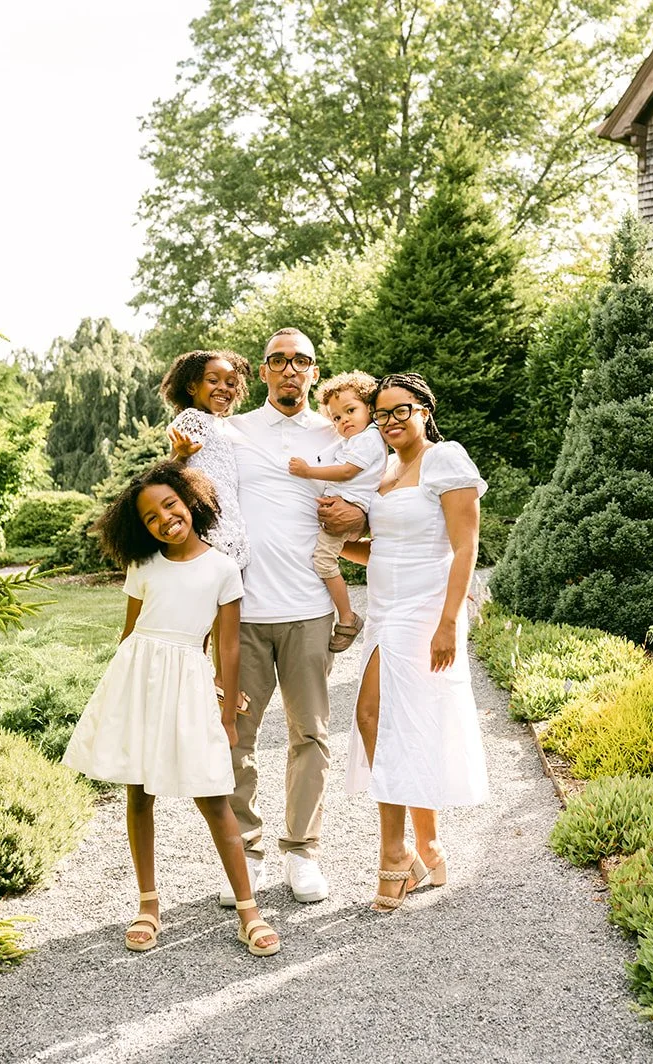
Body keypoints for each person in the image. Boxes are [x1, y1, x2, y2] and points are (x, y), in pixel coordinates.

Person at [60, 461, 279, 957]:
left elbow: (227, 648)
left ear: (190, 503)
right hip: (138, 679)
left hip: (187, 681)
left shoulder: (222, 568)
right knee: (138, 793)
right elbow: (130, 632)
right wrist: (114, 695)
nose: (164, 518)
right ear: (141, 527)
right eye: (150, 516)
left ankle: (249, 911)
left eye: (170, 505)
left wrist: (226, 714)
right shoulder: (143, 567)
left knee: (214, 795)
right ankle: (148, 903)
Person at [214, 328, 365, 905]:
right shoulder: (233, 431)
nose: (289, 369)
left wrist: (354, 516)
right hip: (242, 612)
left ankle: (302, 851)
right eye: (278, 360)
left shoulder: (338, 433)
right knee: (236, 736)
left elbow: (369, 500)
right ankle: (245, 854)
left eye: (300, 360)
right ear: (264, 370)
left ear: (313, 371)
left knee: (311, 734)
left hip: (307, 610)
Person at [342, 372, 489, 912]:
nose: (390, 422)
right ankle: (429, 846)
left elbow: (465, 544)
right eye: (381, 415)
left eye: (401, 410)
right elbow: (381, 549)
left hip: (427, 608)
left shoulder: (445, 458)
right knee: (403, 724)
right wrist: (331, 546)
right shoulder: (385, 468)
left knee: (374, 715)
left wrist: (449, 621)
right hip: (383, 610)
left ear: (425, 410)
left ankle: (395, 851)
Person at [287, 370, 386, 653]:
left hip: (350, 508)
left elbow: (346, 471)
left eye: (350, 411)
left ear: (370, 408)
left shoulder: (369, 438)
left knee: (323, 562)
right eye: (337, 418)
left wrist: (307, 471)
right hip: (343, 506)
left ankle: (347, 617)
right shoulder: (355, 440)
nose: (344, 421)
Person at [160, 350, 252, 568]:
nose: (223, 388)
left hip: (228, 517)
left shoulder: (220, 423)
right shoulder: (194, 419)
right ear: (192, 387)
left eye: (231, 383)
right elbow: (167, 475)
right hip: (208, 523)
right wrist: (182, 453)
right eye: (213, 380)